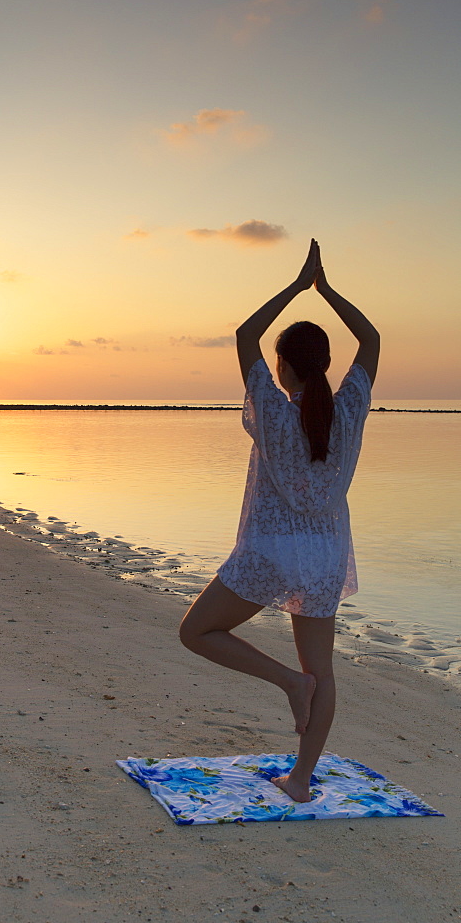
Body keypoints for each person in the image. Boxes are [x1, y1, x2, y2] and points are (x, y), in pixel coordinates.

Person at [179, 239, 380, 803]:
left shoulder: (271, 409)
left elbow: (245, 337)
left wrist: (297, 286)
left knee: (196, 631)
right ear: (327, 367)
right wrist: (328, 290)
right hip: (325, 556)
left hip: (269, 551)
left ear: (282, 366)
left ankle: (288, 682)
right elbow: (372, 340)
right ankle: (299, 780)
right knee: (326, 671)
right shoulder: (351, 408)